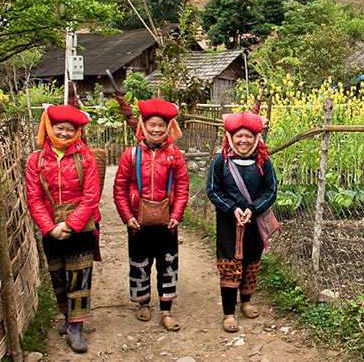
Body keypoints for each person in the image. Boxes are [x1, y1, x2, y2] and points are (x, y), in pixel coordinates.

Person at [25, 104, 101, 353]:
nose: (65, 133)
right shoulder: (35, 161)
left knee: (79, 276)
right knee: (58, 275)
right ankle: (67, 318)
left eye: (70, 129)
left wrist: (71, 224)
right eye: (60, 128)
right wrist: (49, 228)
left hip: (82, 228)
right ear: (49, 128)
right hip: (51, 228)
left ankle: (76, 327)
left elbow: (91, 196)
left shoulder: (86, 156)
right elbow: (34, 199)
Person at [113, 98, 189, 331]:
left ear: (169, 127)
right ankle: (143, 303)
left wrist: (177, 214)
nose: (156, 129)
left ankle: (166, 310)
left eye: (161, 125)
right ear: (143, 126)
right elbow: (120, 188)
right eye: (151, 124)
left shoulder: (175, 156)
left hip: (167, 223)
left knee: (168, 263)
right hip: (138, 222)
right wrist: (127, 216)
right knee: (140, 262)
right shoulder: (131, 155)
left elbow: (183, 186)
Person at [206, 111, 278, 332]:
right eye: (239, 136)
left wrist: (253, 209)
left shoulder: (263, 162)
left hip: (254, 223)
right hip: (229, 223)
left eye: (248, 136)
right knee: (230, 264)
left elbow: (271, 190)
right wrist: (234, 209)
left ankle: (246, 301)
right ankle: (229, 312)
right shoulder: (221, 161)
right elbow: (213, 190)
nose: (243, 141)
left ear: (255, 138)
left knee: (251, 262)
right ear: (230, 137)